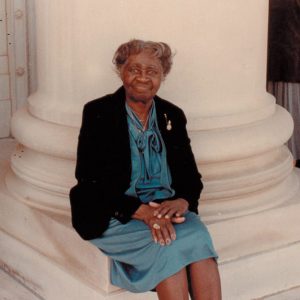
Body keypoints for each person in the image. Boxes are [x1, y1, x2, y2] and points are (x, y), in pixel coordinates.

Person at [70, 39, 221, 300]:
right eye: (134, 69)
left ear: (163, 76)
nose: (142, 78)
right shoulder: (99, 112)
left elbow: (190, 177)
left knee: (199, 241)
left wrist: (183, 200)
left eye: (152, 71)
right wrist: (141, 212)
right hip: (115, 213)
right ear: (121, 72)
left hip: (165, 210)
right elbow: (88, 180)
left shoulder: (172, 114)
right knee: (168, 250)